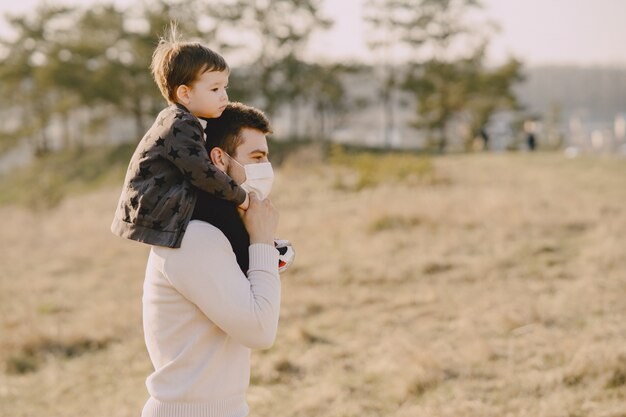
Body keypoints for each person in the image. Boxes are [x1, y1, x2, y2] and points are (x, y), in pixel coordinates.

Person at [141, 102, 282, 417]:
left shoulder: (217, 230)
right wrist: (261, 240)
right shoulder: (194, 237)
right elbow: (260, 331)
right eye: (257, 158)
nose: (266, 169)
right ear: (218, 159)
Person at [110, 26, 249, 249]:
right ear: (185, 93)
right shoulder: (180, 124)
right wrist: (242, 196)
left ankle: (251, 246)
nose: (224, 95)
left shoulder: (183, 119)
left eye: (225, 87)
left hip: (163, 200)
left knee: (222, 203)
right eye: (215, 89)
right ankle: (252, 252)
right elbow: (203, 173)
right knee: (223, 204)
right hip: (157, 205)